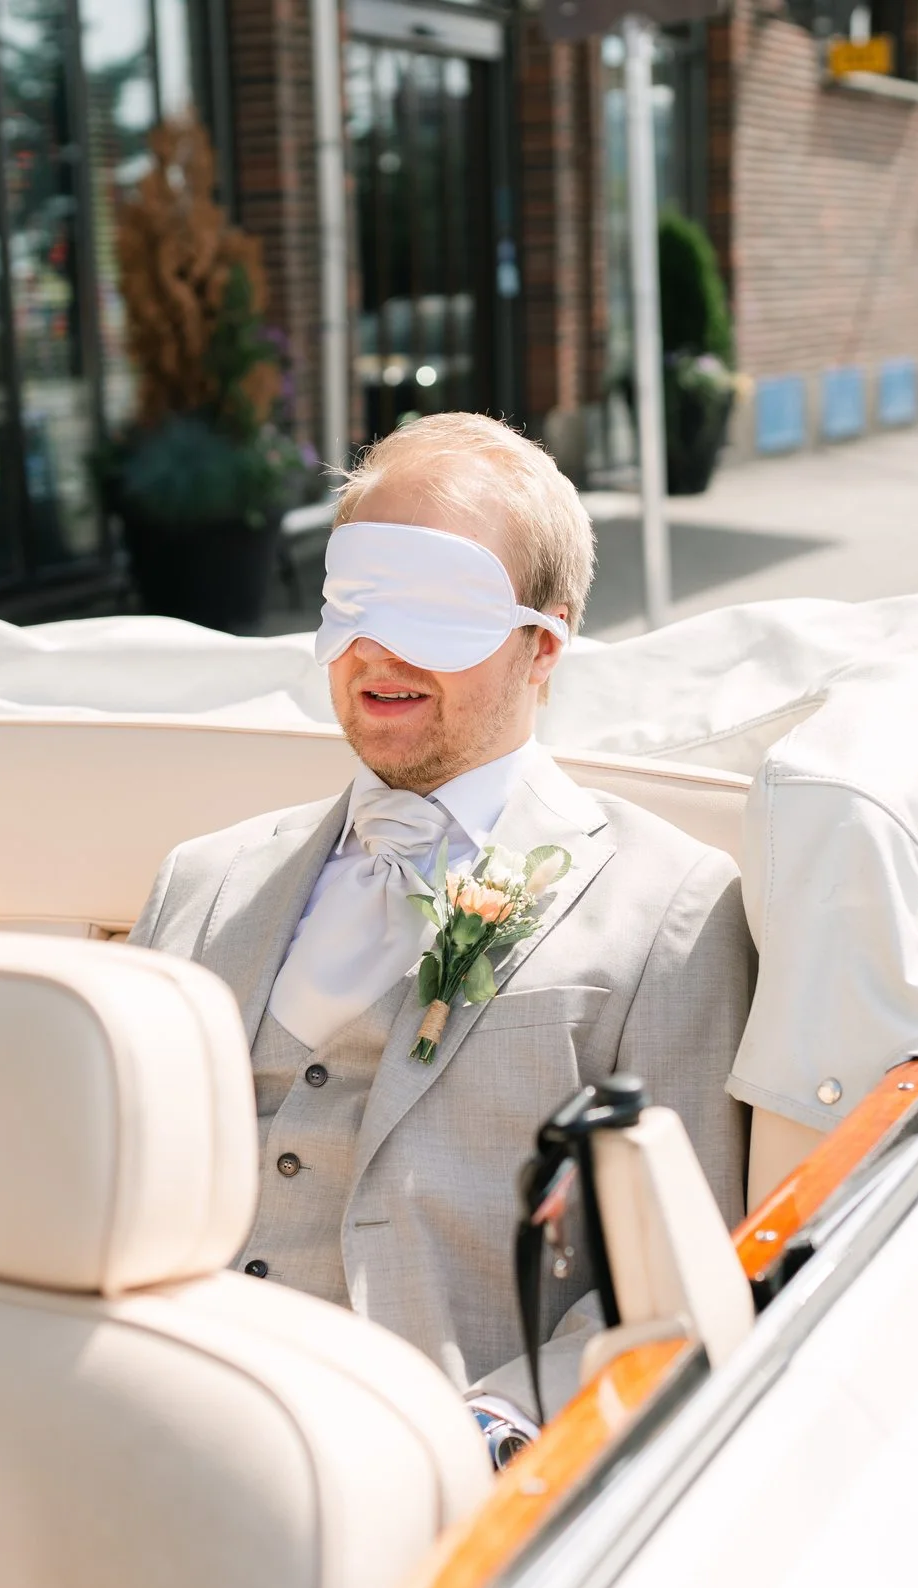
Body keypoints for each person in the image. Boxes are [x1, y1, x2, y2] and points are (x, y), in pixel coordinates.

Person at [130, 413, 752, 1402]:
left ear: (546, 643)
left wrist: (496, 1434)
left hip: (445, 1475)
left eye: (434, 606)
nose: (377, 646)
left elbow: (683, 1276)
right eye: (354, 598)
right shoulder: (201, 883)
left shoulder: (670, 907)